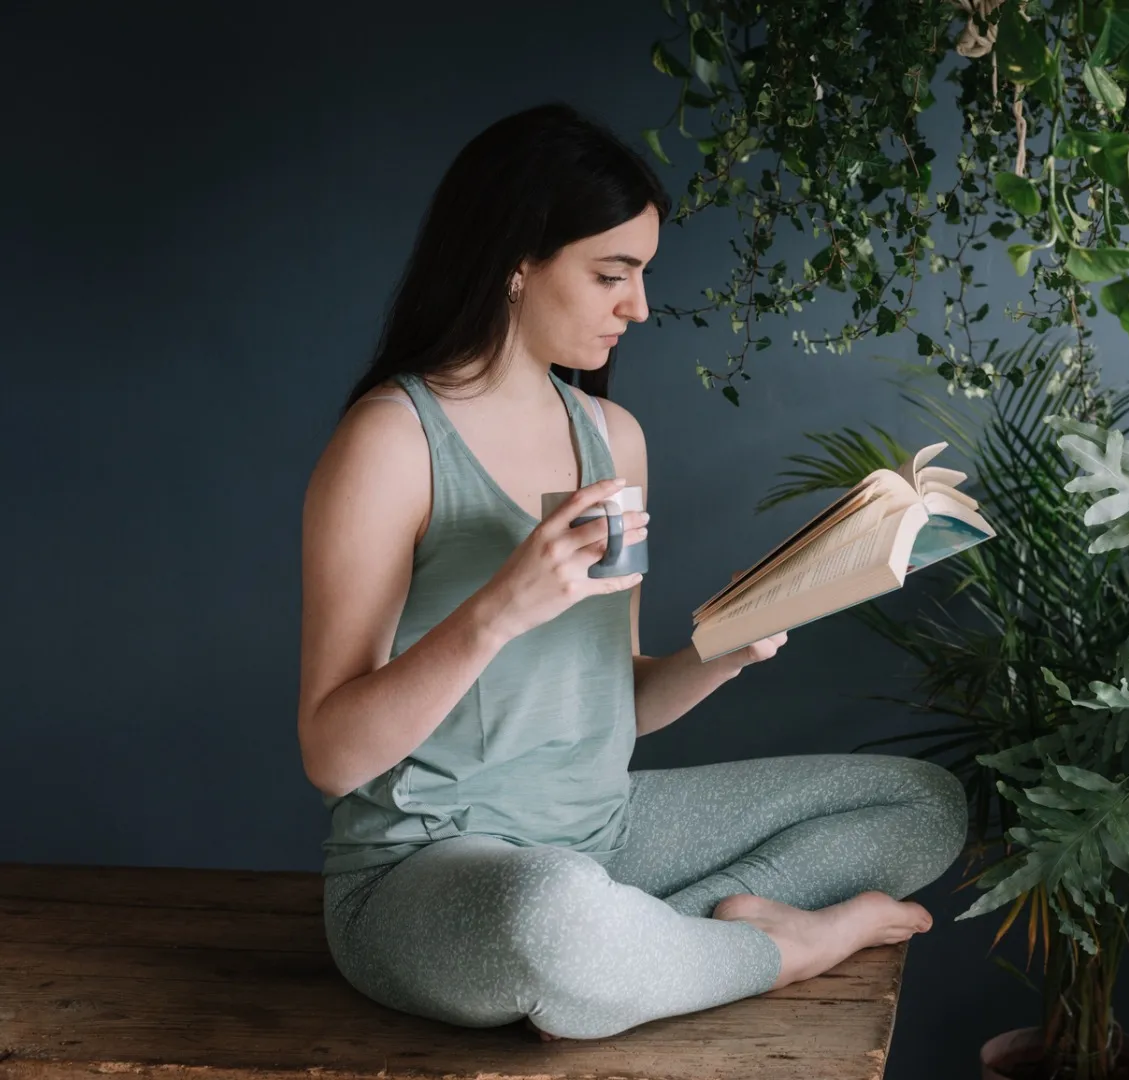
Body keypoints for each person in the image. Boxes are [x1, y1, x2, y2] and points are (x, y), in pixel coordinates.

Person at [297, 103, 968, 1041]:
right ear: (515, 265)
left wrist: (726, 651)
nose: (640, 307)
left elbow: (626, 704)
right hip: (423, 872)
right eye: (612, 274)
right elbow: (331, 757)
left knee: (922, 805)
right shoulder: (390, 442)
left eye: (641, 275)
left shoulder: (612, 440)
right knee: (555, 913)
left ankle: (654, 949)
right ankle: (786, 949)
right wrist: (496, 612)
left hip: (605, 835)